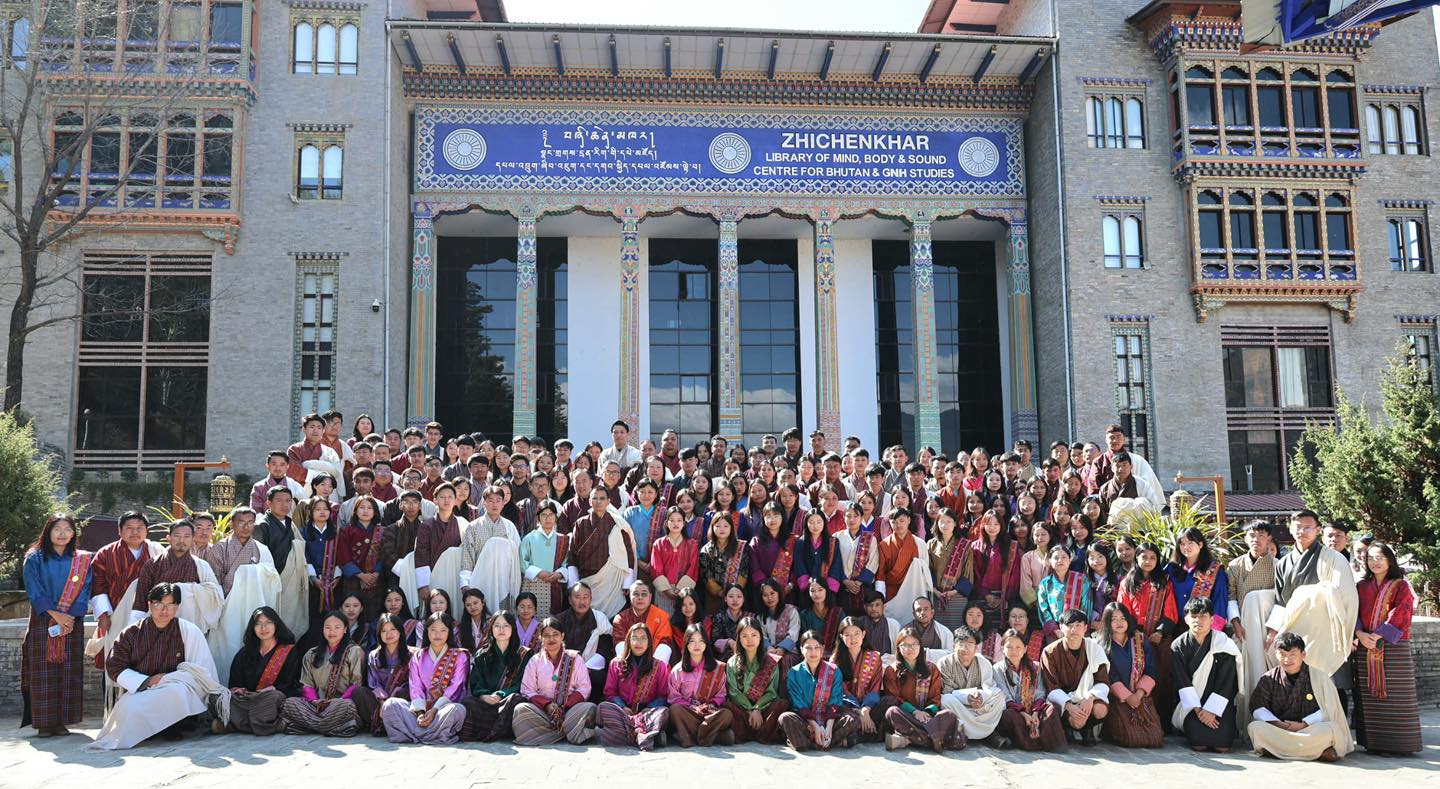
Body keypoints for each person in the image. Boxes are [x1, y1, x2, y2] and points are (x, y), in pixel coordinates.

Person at [92, 583, 221, 750]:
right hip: (141, 689)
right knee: (128, 708)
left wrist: (170, 679)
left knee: (178, 692)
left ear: (177, 607)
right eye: (159, 604)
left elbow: (201, 670)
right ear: (149, 605)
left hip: (174, 687)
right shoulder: (132, 632)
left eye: (170, 605)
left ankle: (172, 728)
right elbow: (114, 665)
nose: (164, 610)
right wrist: (148, 681)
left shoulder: (189, 631)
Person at [1264, 511, 1359, 715]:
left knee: (1331, 682)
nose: (1302, 531)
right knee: (1299, 681)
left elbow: (1346, 597)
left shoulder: (1333, 559)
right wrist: (1273, 631)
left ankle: (1335, 726)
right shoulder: (1283, 563)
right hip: (1296, 630)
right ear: (1290, 529)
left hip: (1326, 631)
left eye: (1308, 527)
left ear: (1317, 530)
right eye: (1298, 527)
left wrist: (1347, 632)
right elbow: (1281, 601)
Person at [21, 513, 93, 737]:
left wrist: (70, 616)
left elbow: (85, 589)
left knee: (68, 671)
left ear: (73, 533)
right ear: (48, 531)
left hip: (72, 621)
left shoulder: (82, 559)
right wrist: (56, 614)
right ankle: (44, 723)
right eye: (57, 529)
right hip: (43, 618)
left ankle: (61, 721)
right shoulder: (34, 558)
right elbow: (34, 589)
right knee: (43, 672)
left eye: (67, 529)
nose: (63, 534)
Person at [1351, 540, 1421, 754]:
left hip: (1393, 646)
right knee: (1369, 695)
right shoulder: (1361, 586)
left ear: (1390, 560)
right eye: (1371, 558)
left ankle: (1401, 745)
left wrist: (1378, 635)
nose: (1375, 562)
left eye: (1380, 557)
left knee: (1396, 694)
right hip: (1365, 646)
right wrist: (1360, 634)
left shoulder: (1401, 585)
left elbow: (1402, 612)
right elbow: (1353, 612)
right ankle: (1375, 743)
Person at [1247, 631, 1354, 762]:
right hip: (1280, 729)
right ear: (1276, 655)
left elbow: (1329, 709)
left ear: (1303, 654)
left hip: (1309, 729)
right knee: (1255, 727)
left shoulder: (1319, 678)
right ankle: (1317, 752)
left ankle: (1279, 750)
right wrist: (1279, 724)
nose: (1287, 660)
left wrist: (1303, 725)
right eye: (1282, 654)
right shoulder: (1268, 678)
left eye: (1292, 654)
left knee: (1330, 729)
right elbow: (1257, 707)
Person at [382, 612, 469, 744]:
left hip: (442, 711)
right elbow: (415, 686)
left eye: (443, 630)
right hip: (420, 711)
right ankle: (431, 735)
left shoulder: (460, 656)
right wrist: (420, 712)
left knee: (457, 710)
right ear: (427, 631)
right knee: (391, 704)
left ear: (449, 632)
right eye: (433, 630)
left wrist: (434, 710)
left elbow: (455, 687)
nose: (437, 634)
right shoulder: (418, 656)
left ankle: (414, 734)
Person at [1170, 596, 1241, 753]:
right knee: (1199, 745)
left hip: (1220, 702)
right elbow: (1182, 680)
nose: (1198, 621)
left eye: (1203, 616)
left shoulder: (1223, 644)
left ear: (1212, 619)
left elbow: (1228, 681)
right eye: (1194, 616)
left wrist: (1212, 710)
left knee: (1222, 746)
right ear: (1186, 619)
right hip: (1193, 704)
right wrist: (1198, 710)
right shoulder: (1178, 646)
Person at [130, 520, 224, 636]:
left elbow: (215, 595)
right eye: (177, 536)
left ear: (193, 539)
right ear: (168, 538)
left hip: (190, 626)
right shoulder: (153, 564)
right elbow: (141, 598)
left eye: (187, 536)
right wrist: (136, 627)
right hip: (156, 625)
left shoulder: (201, 566)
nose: (181, 540)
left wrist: (187, 589)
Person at [513, 616, 596, 745]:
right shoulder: (535, 661)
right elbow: (527, 690)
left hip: (569, 711)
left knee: (589, 708)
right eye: (546, 635)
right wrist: (547, 705)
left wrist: (565, 705)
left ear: (562, 636)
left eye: (555, 634)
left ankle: (549, 733)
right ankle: (568, 731)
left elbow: (584, 688)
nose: (551, 639)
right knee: (521, 709)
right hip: (543, 712)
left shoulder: (575, 658)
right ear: (540, 638)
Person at [283, 610, 366, 736]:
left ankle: (310, 726)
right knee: (290, 703)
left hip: (340, 705)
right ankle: (329, 727)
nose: (332, 632)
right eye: (327, 627)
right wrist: (315, 701)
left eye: (337, 627)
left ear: (345, 629)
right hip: (316, 706)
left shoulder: (354, 651)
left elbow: (356, 684)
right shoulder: (312, 654)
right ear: (322, 629)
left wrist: (336, 702)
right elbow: (307, 684)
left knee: (347, 706)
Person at [879, 624, 959, 752]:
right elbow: (894, 697)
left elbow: (935, 698)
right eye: (904, 645)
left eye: (914, 644)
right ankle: (933, 738)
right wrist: (915, 712)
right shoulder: (892, 670)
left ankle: (907, 740)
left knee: (949, 714)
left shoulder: (931, 668)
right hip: (906, 716)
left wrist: (926, 713)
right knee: (891, 712)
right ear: (898, 648)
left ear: (920, 646)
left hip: (927, 717)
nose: (909, 649)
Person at [223, 606, 301, 736]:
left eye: (268, 623)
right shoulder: (244, 653)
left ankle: (236, 724)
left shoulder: (288, 651)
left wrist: (272, 689)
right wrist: (238, 690)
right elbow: (234, 683)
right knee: (219, 698)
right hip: (247, 700)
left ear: (276, 625)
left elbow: (291, 683)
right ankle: (267, 724)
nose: (263, 628)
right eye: (258, 624)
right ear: (253, 628)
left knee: (274, 697)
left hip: (271, 700)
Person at [779, 630, 859, 751]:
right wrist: (815, 726)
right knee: (785, 718)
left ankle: (806, 742)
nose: (813, 652)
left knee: (853, 719)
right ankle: (833, 742)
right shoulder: (794, 673)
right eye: (808, 648)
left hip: (829, 720)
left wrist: (829, 727)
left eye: (817, 647)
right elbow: (798, 703)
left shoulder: (833, 670)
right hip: (805, 721)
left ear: (822, 648)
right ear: (801, 649)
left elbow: (835, 700)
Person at [1040, 609, 1110, 746]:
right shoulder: (1050, 652)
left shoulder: (1094, 648)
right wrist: (1068, 705)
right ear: (1061, 627)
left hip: (1087, 698)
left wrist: (1090, 697)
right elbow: (1051, 686)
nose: (1074, 630)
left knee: (1100, 710)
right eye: (1069, 625)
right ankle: (1068, 726)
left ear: (1085, 628)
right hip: (1064, 700)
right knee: (1077, 722)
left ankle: (1087, 728)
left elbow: (1103, 681)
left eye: (1078, 625)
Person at [1098, 603, 1163, 748]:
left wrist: (1138, 694)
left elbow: (1150, 670)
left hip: (1141, 697)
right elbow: (1109, 675)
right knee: (1130, 737)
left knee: (1155, 738)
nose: (1119, 622)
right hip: (1116, 699)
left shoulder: (1141, 639)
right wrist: (1127, 697)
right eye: (1114, 619)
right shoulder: (1101, 645)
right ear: (1107, 621)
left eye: (1123, 618)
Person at [596, 623, 670, 750]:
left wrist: (648, 708)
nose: (638, 642)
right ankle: (647, 736)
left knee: (664, 712)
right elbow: (610, 692)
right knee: (603, 707)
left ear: (649, 642)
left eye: (643, 638)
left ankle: (623, 735)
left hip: (647, 713)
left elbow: (663, 695)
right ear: (628, 641)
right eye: (635, 638)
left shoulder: (659, 666)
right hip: (623, 712)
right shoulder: (616, 664)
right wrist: (623, 707)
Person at [1226, 521, 1279, 695]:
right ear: (1245, 539)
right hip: (1244, 625)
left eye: (1261, 535)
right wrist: (1236, 623)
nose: (1256, 539)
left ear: (1269, 539)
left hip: (1270, 625)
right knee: (1245, 669)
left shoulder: (1278, 565)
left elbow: (1282, 598)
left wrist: (1274, 629)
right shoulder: (1235, 565)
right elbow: (1231, 595)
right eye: (1252, 535)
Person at [992, 627, 1066, 751]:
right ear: (1002, 648)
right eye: (1009, 647)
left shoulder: (1035, 667)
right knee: (1008, 715)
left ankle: (1050, 742)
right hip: (1015, 712)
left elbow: (1040, 693)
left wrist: (1035, 712)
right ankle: (1031, 743)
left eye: (1018, 647)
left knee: (1053, 708)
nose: (1014, 651)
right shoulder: (997, 669)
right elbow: (1005, 696)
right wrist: (1024, 714)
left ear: (1025, 649)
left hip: (1034, 709)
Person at [568, 486, 637, 618]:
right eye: (594, 498)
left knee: (613, 616)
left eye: (602, 498)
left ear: (608, 501)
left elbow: (628, 553)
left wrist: (627, 583)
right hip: (587, 580)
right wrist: (573, 584)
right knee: (588, 617)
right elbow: (572, 554)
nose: (598, 501)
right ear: (590, 501)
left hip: (612, 580)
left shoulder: (618, 523)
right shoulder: (581, 523)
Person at [666, 623, 733, 747]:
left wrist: (711, 705)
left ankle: (687, 736)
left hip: (710, 714)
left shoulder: (717, 668)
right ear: (686, 644)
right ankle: (713, 736)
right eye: (692, 641)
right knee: (675, 710)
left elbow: (721, 694)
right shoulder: (678, 670)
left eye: (701, 641)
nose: (697, 645)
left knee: (727, 714)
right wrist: (691, 706)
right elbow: (673, 697)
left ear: (706, 643)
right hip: (688, 713)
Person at [936, 626, 1005, 743]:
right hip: (959, 706)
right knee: (945, 700)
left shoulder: (983, 662)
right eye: (961, 643)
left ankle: (972, 730)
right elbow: (947, 690)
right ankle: (985, 734)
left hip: (979, 706)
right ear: (954, 645)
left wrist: (981, 697)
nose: (965, 648)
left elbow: (989, 687)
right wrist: (967, 698)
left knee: (999, 696)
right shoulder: (944, 663)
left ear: (976, 647)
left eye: (970, 644)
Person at [460, 485, 522, 613]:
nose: (494, 504)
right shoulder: (473, 527)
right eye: (490, 500)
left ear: (503, 503)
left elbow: (517, 554)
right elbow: (467, 556)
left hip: (504, 579)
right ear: (484, 503)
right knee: (481, 613)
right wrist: (465, 583)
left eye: (498, 500)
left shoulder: (509, 527)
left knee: (503, 615)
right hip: (480, 578)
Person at [725, 616, 787, 743]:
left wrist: (757, 709)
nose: (750, 640)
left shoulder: (771, 661)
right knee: (726, 706)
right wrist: (750, 710)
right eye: (744, 636)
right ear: (739, 638)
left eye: (754, 635)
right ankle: (762, 733)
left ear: (760, 637)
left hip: (764, 709)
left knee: (781, 704)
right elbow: (734, 692)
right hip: (743, 711)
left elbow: (771, 692)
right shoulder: (732, 662)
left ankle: (751, 733)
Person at [554, 581, 613, 702]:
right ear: (570, 600)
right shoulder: (559, 620)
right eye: (577, 597)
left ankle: (592, 707)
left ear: (591, 599)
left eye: (585, 597)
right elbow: (553, 647)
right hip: (564, 667)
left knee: (598, 677)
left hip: (589, 668)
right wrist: (569, 669)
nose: (582, 602)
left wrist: (585, 669)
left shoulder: (599, 618)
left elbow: (604, 648)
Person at [1166, 527, 1230, 633]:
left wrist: (1214, 630)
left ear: (1200, 544)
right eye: (1182, 544)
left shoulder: (1214, 569)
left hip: (1203, 626)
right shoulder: (1172, 568)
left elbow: (1220, 600)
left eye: (1190, 543)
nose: (1186, 547)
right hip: (1175, 627)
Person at [357, 613, 412, 736]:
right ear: (379, 634)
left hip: (399, 699)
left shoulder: (412, 654)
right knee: (359, 692)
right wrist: (383, 703)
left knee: (405, 692)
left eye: (392, 629)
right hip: (379, 700)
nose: (388, 634)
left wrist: (392, 698)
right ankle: (380, 722)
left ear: (400, 631)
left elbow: (412, 683)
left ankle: (387, 723)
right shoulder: (374, 655)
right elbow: (373, 683)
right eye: (384, 631)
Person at [832, 616, 885, 742]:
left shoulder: (874, 657)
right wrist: (858, 710)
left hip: (870, 706)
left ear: (863, 634)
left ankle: (854, 735)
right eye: (848, 635)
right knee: (849, 717)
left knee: (890, 703)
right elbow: (840, 690)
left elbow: (875, 687)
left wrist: (865, 709)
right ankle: (866, 733)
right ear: (841, 637)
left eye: (857, 633)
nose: (853, 638)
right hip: (848, 705)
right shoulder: (835, 660)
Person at [877, 508, 933, 622]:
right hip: (892, 593)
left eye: (901, 521)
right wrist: (881, 598)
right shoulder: (884, 545)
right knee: (893, 623)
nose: (898, 525)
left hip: (914, 590)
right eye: (894, 522)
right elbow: (881, 574)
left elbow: (925, 572)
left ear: (909, 520)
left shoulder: (920, 544)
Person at [519, 500, 572, 616]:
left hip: (555, 585)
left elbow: (566, 563)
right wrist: (539, 573)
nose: (548, 518)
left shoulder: (563, 539)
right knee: (533, 617)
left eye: (551, 515)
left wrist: (559, 574)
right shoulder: (529, 538)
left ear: (556, 517)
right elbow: (523, 562)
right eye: (544, 515)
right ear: (538, 518)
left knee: (551, 621)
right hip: (533, 585)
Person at [610, 579, 675, 663]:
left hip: (655, 663)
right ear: (630, 596)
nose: (640, 597)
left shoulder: (661, 616)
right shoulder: (621, 618)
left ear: (650, 597)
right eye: (636, 594)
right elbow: (620, 642)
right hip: (628, 663)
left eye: (644, 594)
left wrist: (655, 666)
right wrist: (629, 664)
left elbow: (665, 642)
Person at [651, 507, 699, 614]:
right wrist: (666, 590)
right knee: (664, 619)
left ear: (684, 523)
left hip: (684, 591)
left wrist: (681, 590)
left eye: (679, 520)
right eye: (672, 520)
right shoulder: (658, 544)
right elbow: (656, 568)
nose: (675, 523)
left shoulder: (692, 544)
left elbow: (693, 568)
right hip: (663, 591)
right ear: (666, 523)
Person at [699, 514, 749, 614]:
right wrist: (721, 592)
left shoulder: (741, 547)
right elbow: (707, 577)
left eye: (726, 526)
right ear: (712, 527)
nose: (722, 529)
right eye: (718, 526)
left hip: (738, 596)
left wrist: (733, 594)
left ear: (731, 527)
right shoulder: (705, 551)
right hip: (714, 597)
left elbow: (744, 572)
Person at [1037, 546, 1091, 636]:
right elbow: (1043, 608)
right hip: (1055, 631)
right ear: (1050, 561)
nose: (1060, 560)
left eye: (1064, 557)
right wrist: (1055, 630)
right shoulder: (1045, 583)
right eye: (1056, 558)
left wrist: (1077, 627)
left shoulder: (1081, 579)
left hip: (1077, 630)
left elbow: (1086, 606)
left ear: (1070, 560)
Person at [756, 579, 799, 663]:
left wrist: (782, 648)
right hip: (769, 651)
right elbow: (761, 635)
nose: (769, 598)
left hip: (788, 652)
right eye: (765, 595)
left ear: (778, 593)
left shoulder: (791, 611)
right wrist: (769, 648)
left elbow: (794, 633)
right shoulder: (760, 617)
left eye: (772, 593)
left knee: (786, 660)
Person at [907, 596, 954, 663]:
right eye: (918, 610)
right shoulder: (906, 631)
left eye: (926, 609)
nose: (922, 612)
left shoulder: (945, 632)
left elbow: (950, 656)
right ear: (914, 614)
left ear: (932, 612)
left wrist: (925, 653)